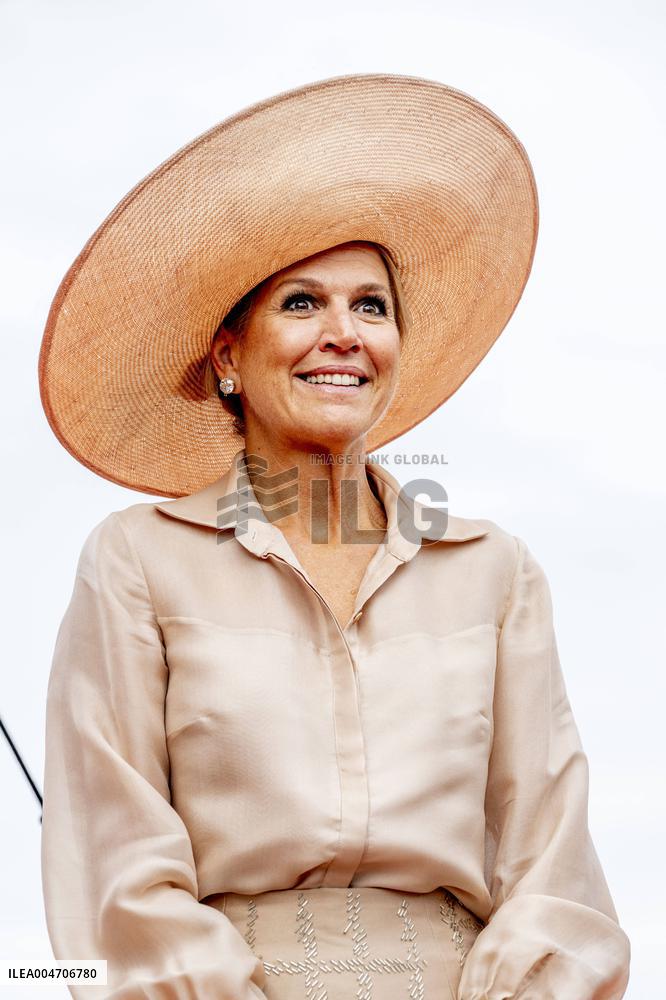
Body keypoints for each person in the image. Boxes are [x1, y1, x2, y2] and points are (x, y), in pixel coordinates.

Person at [38, 73, 631, 999]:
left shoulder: (493, 571)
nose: (344, 334)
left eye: (371, 306)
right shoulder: (137, 560)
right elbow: (113, 861)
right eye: (302, 303)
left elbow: (554, 867)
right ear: (229, 356)